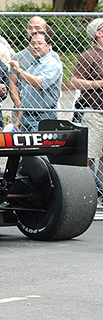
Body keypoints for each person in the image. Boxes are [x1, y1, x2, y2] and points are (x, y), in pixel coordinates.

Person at [70, 18, 103, 197]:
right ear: (97, 33)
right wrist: (100, 83)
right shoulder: (88, 55)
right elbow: (74, 82)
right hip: (94, 111)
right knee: (89, 156)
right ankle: (85, 193)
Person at [9, 16, 61, 126]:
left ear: (48, 45)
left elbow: (39, 83)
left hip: (44, 116)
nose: (35, 47)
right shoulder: (31, 64)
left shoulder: (53, 63)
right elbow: (17, 87)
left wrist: (19, 71)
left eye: (39, 43)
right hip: (25, 116)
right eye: (32, 44)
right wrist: (19, 118)